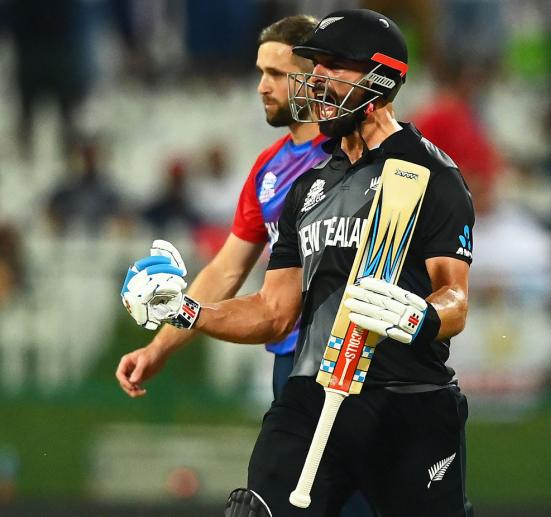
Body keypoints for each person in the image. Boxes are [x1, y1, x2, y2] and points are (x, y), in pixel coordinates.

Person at [117, 9, 474, 516]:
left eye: (332, 66)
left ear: (379, 78)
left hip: (408, 400)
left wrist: (419, 315)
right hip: (309, 392)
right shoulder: (306, 190)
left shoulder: (432, 173)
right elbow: (273, 311)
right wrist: (189, 312)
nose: (316, 79)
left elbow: (455, 299)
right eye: (314, 66)